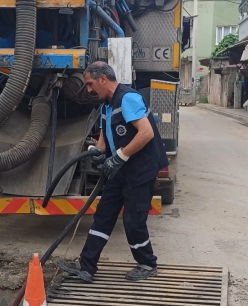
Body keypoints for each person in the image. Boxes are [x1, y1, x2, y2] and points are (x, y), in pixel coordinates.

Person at [58, 62, 169, 282]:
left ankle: (147, 264)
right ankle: (87, 266)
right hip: (121, 171)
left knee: (133, 220)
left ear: (102, 79)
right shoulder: (106, 106)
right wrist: (96, 152)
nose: (88, 89)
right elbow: (102, 141)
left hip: (140, 170)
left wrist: (120, 156)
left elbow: (145, 133)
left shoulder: (128, 99)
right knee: (103, 215)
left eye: (90, 84)